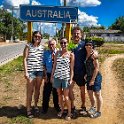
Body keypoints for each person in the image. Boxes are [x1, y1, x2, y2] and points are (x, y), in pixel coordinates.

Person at [51, 37, 74, 120]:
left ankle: (69, 113)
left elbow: (71, 69)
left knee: (66, 96)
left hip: (65, 78)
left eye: (65, 43)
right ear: (59, 44)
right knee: (59, 95)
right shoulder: (57, 53)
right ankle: (62, 110)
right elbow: (54, 66)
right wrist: (52, 76)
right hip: (57, 77)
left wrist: (71, 79)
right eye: (61, 43)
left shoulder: (71, 54)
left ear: (68, 43)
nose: (63, 44)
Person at [23, 31, 44, 118]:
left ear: (41, 38)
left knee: (37, 90)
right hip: (31, 71)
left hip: (40, 71)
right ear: (33, 37)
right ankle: (28, 109)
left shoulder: (43, 48)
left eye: (39, 37)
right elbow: (24, 59)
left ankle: (35, 106)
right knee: (30, 91)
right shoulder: (28, 46)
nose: (37, 38)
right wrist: (26, 72)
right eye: (36, 36)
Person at [69, 26, 87, 116]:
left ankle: (83, 106)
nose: (76, 35)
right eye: (74, 33)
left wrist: (96, 53)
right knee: (69, 89)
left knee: (82, 90)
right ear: (72, 35)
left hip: (81, 72)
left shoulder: (84, 45)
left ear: (81, 35)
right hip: (71, 72)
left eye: (78, 33)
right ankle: (72, 107)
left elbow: (92, 52)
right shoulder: (70, 45)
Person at [84, 41, 103, 118]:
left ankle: (98, 112)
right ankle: (93, 107)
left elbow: (97, 68)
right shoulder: (86, 54)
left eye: (90, 45)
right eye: (87, 45)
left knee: (97, 94)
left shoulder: (93, 55)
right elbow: (88, 65)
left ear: (92, 46)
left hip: (95, 77)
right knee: (90, 93)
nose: (88, 46)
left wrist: (93, 79)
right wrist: (86, 74)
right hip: (88, 76)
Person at [42, 39, 60, 114]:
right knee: (46, 92)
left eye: (53, 44)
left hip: (57, 75)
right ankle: (45, 108)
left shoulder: (59, 53)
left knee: (56, 92)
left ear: (56, 45)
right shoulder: (45, 53)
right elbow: (43, 65)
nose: (51, 46)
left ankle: (56, 106)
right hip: (48, 74)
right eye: (50, 44)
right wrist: (45, 75)